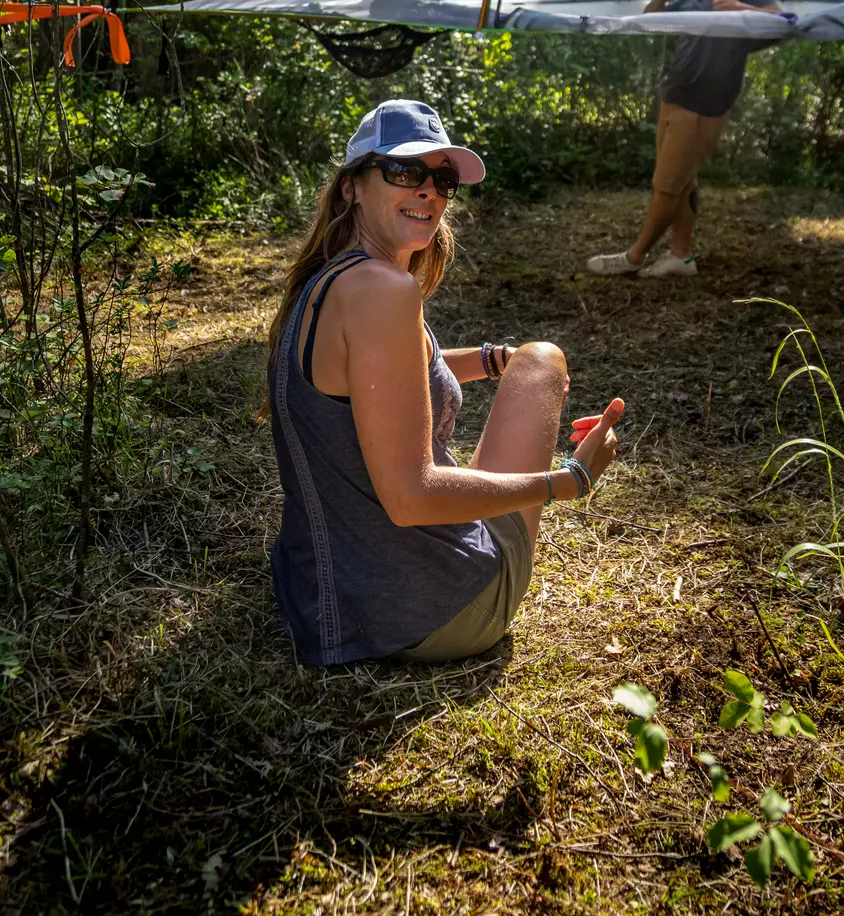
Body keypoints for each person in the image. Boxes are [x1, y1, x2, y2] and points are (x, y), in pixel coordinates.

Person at [268, 98, 625, 665]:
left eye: (442, 179)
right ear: (351, 187)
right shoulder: (386, 293)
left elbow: (379, 377)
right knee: (546, 359)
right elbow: (411, 497)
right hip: (424, 611)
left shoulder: (324, 282)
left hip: (318, 592)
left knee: (530, 359)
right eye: (405, 172)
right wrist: (569, 480)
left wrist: (491, 360)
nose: (428, 191)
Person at [587, 0, 781, 279]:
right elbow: (649, 21)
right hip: (673, 97)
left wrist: (742, 10)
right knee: (683, 182)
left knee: (666, 187)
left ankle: (633, 257)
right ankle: (681, 256)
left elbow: (782, 20)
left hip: (703, 106)